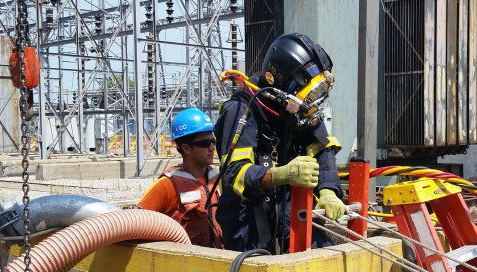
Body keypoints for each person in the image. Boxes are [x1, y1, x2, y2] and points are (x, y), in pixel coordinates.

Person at [214, 33, 346, 253]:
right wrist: (281, 175)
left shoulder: (298, 110)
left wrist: (328, 190)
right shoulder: (241, 109)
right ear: (281, 86)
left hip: (288, 207)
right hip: (247, 219)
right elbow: (233, 174)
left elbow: (322, 148)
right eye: (307, 96)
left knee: (319, 257)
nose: (311, 104)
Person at [137, 108, 223, 248]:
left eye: (213, 141)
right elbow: (136, 222)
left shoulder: (217, 179)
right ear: (186, 148)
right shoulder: (167, 185)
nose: (212, 147)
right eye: (205, 143)